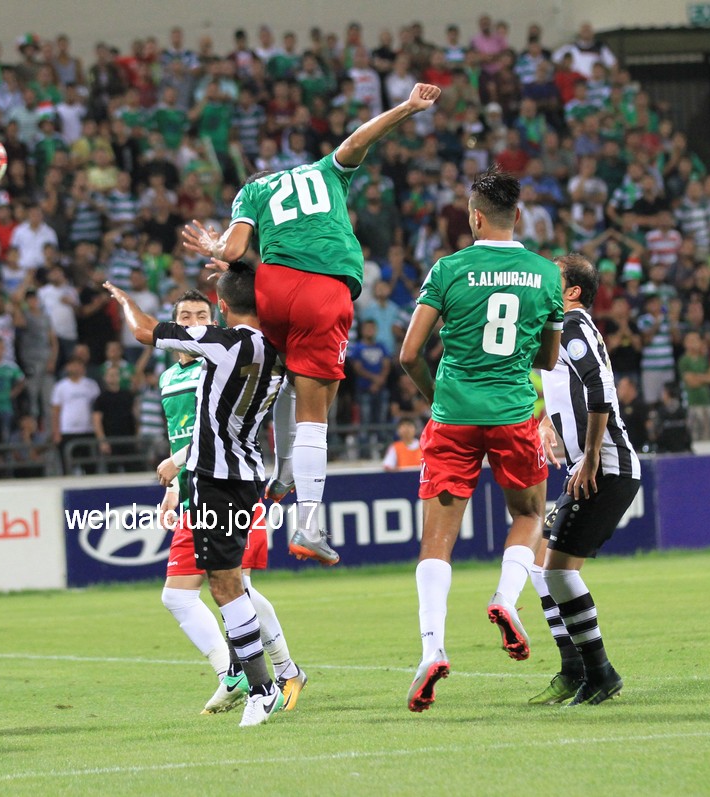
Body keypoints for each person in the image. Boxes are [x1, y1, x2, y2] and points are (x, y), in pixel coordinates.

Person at [182, 82, 442, 567]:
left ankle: (283, 469)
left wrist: (216, 248)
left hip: (273, 289)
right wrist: (408, 108)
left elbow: (234, 251)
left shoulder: (252, 191)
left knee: (290, 376)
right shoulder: (325, 171)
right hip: (324, 291)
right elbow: (361, 138)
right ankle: (308, 525)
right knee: (316, 412)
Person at [399, 168, 563, 712]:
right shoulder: (546, 274)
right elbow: (548, 359)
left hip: (454, 417)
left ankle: (432, 649)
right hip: (513, 413)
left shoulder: (448, 269)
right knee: (529, 514)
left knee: (436, 543)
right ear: (517, 215)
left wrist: (437, 399)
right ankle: (505, 598)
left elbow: (409, 354)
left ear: (474, 217)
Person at [105, 262, 288, 727]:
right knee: (228, 585)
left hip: (216, 478)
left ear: (220, 309)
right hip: (243, 473)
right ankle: (264, 677)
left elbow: (144, 330)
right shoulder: (281, 346)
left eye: (202, 315)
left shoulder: (218, 347)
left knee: (228, 586)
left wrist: (126, 303)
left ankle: (264, 684)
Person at [153, 289, 306, 716]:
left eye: (201, 315)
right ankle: (249, 672)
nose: (193, 322)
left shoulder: (220, 360)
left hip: (227, 483)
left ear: (215, 320)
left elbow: (228, 426)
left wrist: (178, 462)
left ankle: (269, 672)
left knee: (231, 588)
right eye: (185, 315)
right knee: (198, 593)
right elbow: (184, 432)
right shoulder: (168, 378)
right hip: (196, 490)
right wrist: (173, 488)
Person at [533, 254, 640, 706]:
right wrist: (546, 419)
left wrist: (592, 454)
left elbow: (599, 389)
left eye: (553, 278)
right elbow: (570, 388)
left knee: (556, 570)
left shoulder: (575, 326)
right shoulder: (562, 331)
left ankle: (599, 672)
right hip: (593, 467)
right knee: (541, 563)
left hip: (605, 467)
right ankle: (574, 666)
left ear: (573, 292)